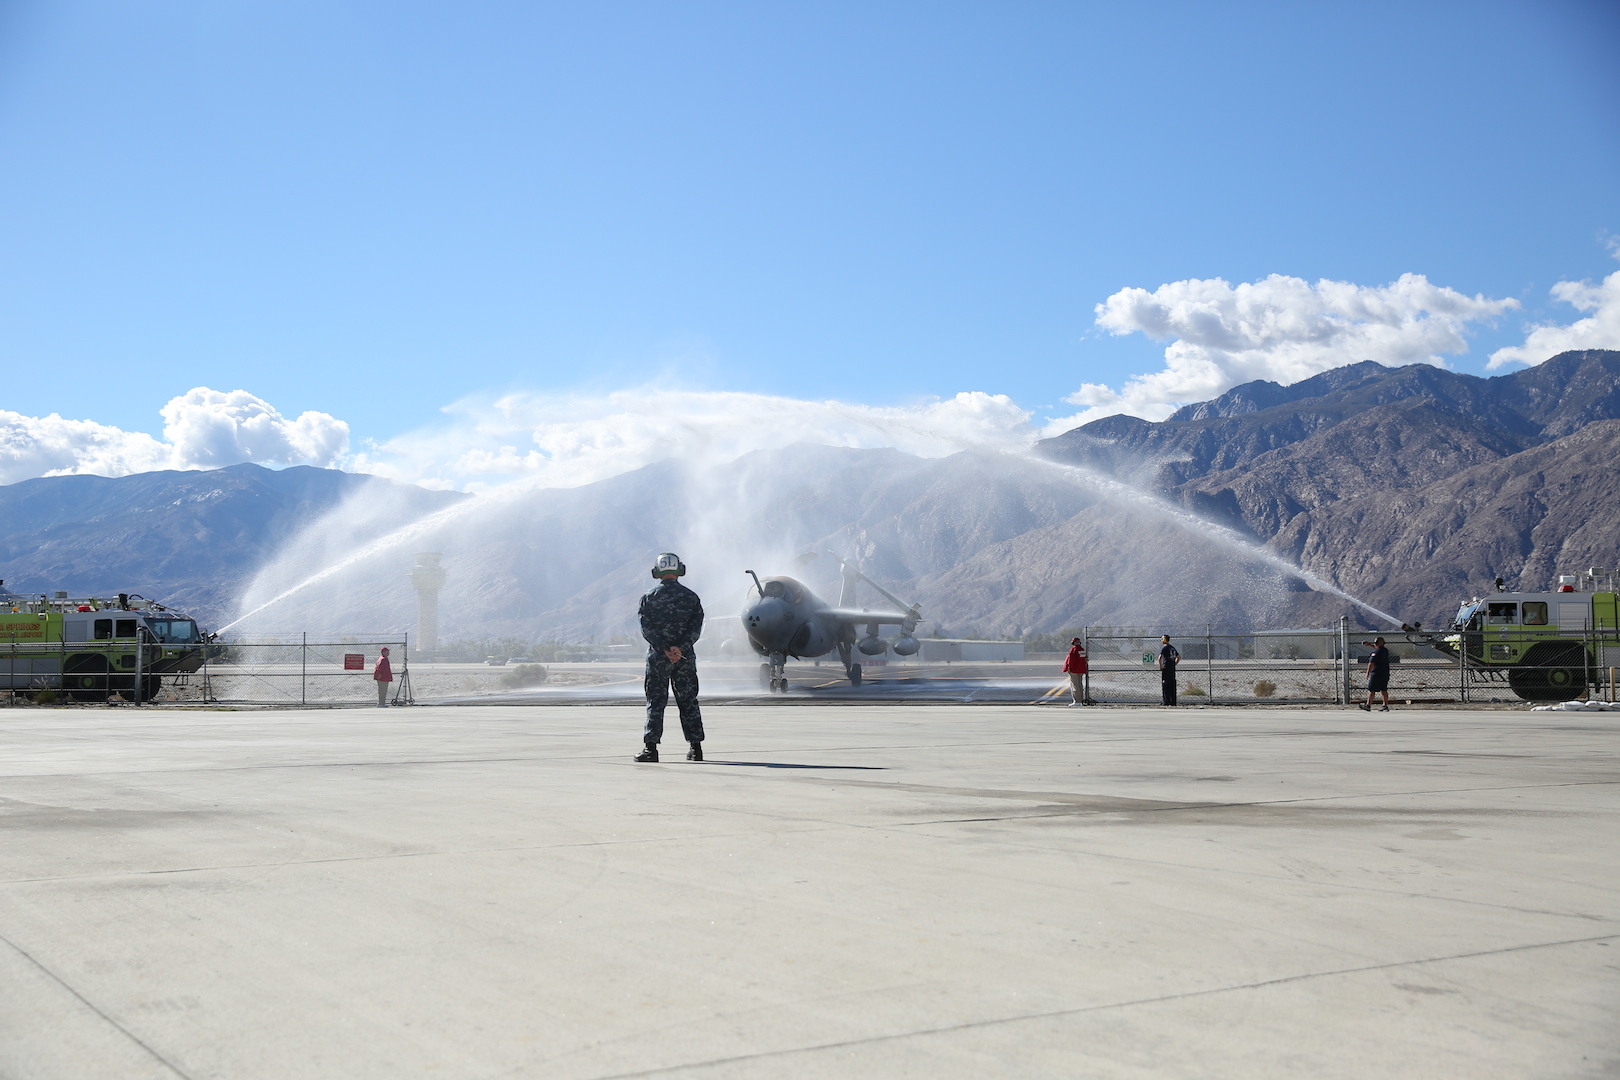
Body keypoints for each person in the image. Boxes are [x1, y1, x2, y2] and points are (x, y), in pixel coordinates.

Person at [635, 552, 706, 762]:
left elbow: (646, 629)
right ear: (680, 570)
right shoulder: (691, 597)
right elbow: (696, 628)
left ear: (656, 572)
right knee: (689, 701)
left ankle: (651, 749)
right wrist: (680, 649)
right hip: (684, 659)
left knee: (655, 702)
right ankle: (696, 749)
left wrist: (665, 649)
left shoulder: (649, 598)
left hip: (658, 658)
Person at [1360, 636, 1392, 712]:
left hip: (1376, 674)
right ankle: (1385, 705)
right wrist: (1369, 645)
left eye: (1375, 643)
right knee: (1383, 690)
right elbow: (1378, 649)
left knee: (1371, 690)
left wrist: (1367, 673)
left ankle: (1368, 705)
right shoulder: (1385, 651)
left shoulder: (1375, 653)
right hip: (1385, 673)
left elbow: (1371, 663)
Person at [1061, 637, 1089, 706]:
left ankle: (1077, 701)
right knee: (1080, 685)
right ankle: (1080, 700)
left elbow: (1071, 661)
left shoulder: (1073, 650)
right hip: (1081, 670)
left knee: (1075, 686)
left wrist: (1070, 668)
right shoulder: (1082, 650)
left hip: (1074, 670)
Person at [1157, 635, 1179, 706]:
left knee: (1165, 685)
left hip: (1166, 668)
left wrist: (1161, 666)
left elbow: (1160, 657)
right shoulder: (1172, 648)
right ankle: (1173, 701)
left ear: (1164, 640)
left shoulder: (1165, 648)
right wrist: (1174, 664)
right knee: (1172, 685)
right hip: (1172, 669)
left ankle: (1166, 701)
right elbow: (1178, 657)